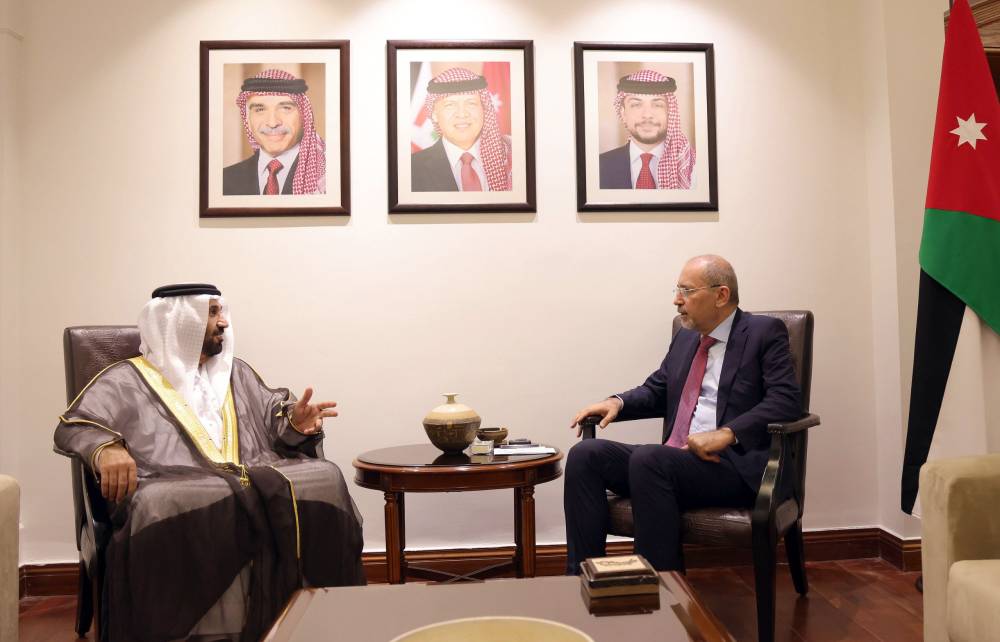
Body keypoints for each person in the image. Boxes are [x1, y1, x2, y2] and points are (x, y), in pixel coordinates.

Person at [54, 283, 364, 642]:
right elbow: (75, 426)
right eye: (212, 313)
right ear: (179, 321)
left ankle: (319, 618)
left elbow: (275, 418)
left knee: (325, 477)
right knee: (159, 502)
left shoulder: (236, 373)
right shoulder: (125, 379)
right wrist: (105, 448)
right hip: (169, 481)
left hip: (251, 471)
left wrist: (295, 423)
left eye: (222, 311)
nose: (224, 322)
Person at [563, 255, 801, 574]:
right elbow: (658, 389)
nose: (677, 300)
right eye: (677, 290)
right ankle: (579, 580)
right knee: (586, 455)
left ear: (721, 295)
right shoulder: (687, 337)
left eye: (687, 291)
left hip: (731, 465)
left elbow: (785, 400)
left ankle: (663, 591)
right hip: (676, 462)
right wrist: (618, 402)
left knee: (650, 459)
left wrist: (726, 434)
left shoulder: (763, 333)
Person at [223, 69, 326, 195]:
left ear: (304, 116)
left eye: (285, 108)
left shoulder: (328, 177)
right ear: (248, 120)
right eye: (260, 110)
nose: (272, 123)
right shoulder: (224, 180)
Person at [411, 67, 512, 192]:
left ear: (484, 109)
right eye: (450, 105)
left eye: (471, 103)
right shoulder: (411, 169)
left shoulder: (512, 159)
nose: (462, 114)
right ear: (434, 114)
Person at [599, 69, 695, 190]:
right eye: (636, 105)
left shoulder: (693, 167)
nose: (647, 115)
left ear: (670, 112)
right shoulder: (598, 166)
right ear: (623, 113)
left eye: (657, 105)